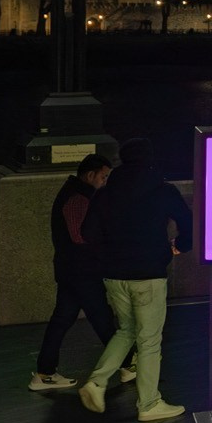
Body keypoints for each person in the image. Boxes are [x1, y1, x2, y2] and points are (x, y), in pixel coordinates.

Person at [79, 138, 192, 422]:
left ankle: (97, 382)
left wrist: (108, 256)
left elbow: (88, 232)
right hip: (149, 274)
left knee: (126, 330)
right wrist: (180, 245)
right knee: (150, 340)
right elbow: (188, 222)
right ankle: (149, 403)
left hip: (114, 274)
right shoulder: (163, 190)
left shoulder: (105, 193)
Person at [31, 154, 133, 392]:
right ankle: (128, 365)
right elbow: (81, 237)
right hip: (82, 271)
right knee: (102, 319)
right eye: (104, 177)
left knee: (63, 320)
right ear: (90, 175)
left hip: (71, 270)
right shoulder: (78, 199)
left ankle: (44, 373)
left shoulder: (74, 193)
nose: (106, 182)